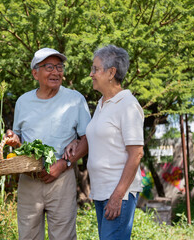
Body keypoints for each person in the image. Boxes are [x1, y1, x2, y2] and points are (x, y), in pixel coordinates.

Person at [4, 48, 91, 240]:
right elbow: (18, 138)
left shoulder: (75, 100)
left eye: (59, 67)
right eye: (49, 67)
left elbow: (87, 139)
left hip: (62, 178)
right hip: (29, 179)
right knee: (28, 236)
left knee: (63, 237)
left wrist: (64, 164)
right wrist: (13, 139)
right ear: (35, 73)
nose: (56, 72)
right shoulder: (23, 101)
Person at [65, 45, 144, 239]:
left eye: (95, 69)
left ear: (111, 73)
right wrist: (77, 143)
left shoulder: (127, 104)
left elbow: (137, 153)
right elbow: (99, 139)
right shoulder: (102, 104)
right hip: (102, 192)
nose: (91, 74)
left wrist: (117, 196)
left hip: (118, 194)